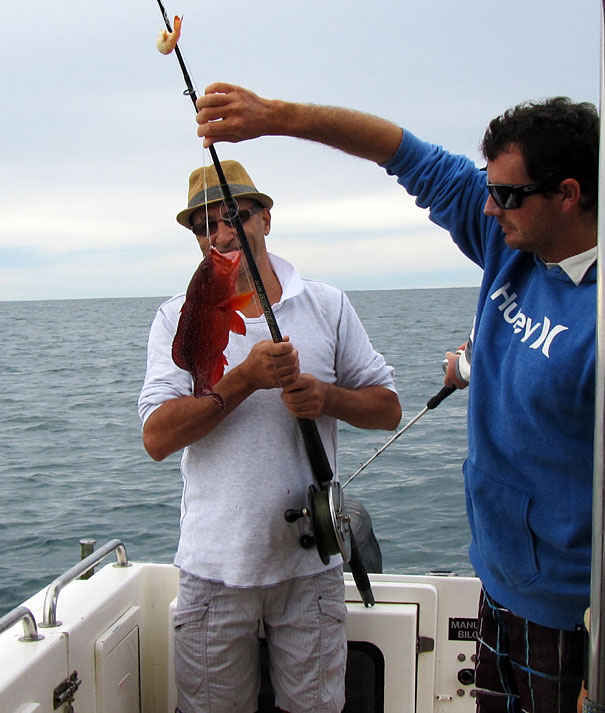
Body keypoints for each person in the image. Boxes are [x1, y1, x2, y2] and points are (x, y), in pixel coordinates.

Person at [194, 84, 598, 713]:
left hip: (572, 614)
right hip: (500, 579)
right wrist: (277, 117)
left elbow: (386, 403)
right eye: (488, 191)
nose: (487, 209)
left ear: (568, 195)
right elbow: (401, 151)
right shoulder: (510, 239)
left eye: (507, 195)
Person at [138, 159, 401, 713]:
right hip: (214, 566)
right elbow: (157, 438)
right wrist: (243, 381)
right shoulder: (175, 319)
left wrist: (327, 397)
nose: (222, 231)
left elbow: (387, 409)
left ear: (266, 218)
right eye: (205, 225)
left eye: (235, 215)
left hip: (311, 567)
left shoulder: (326, 305)